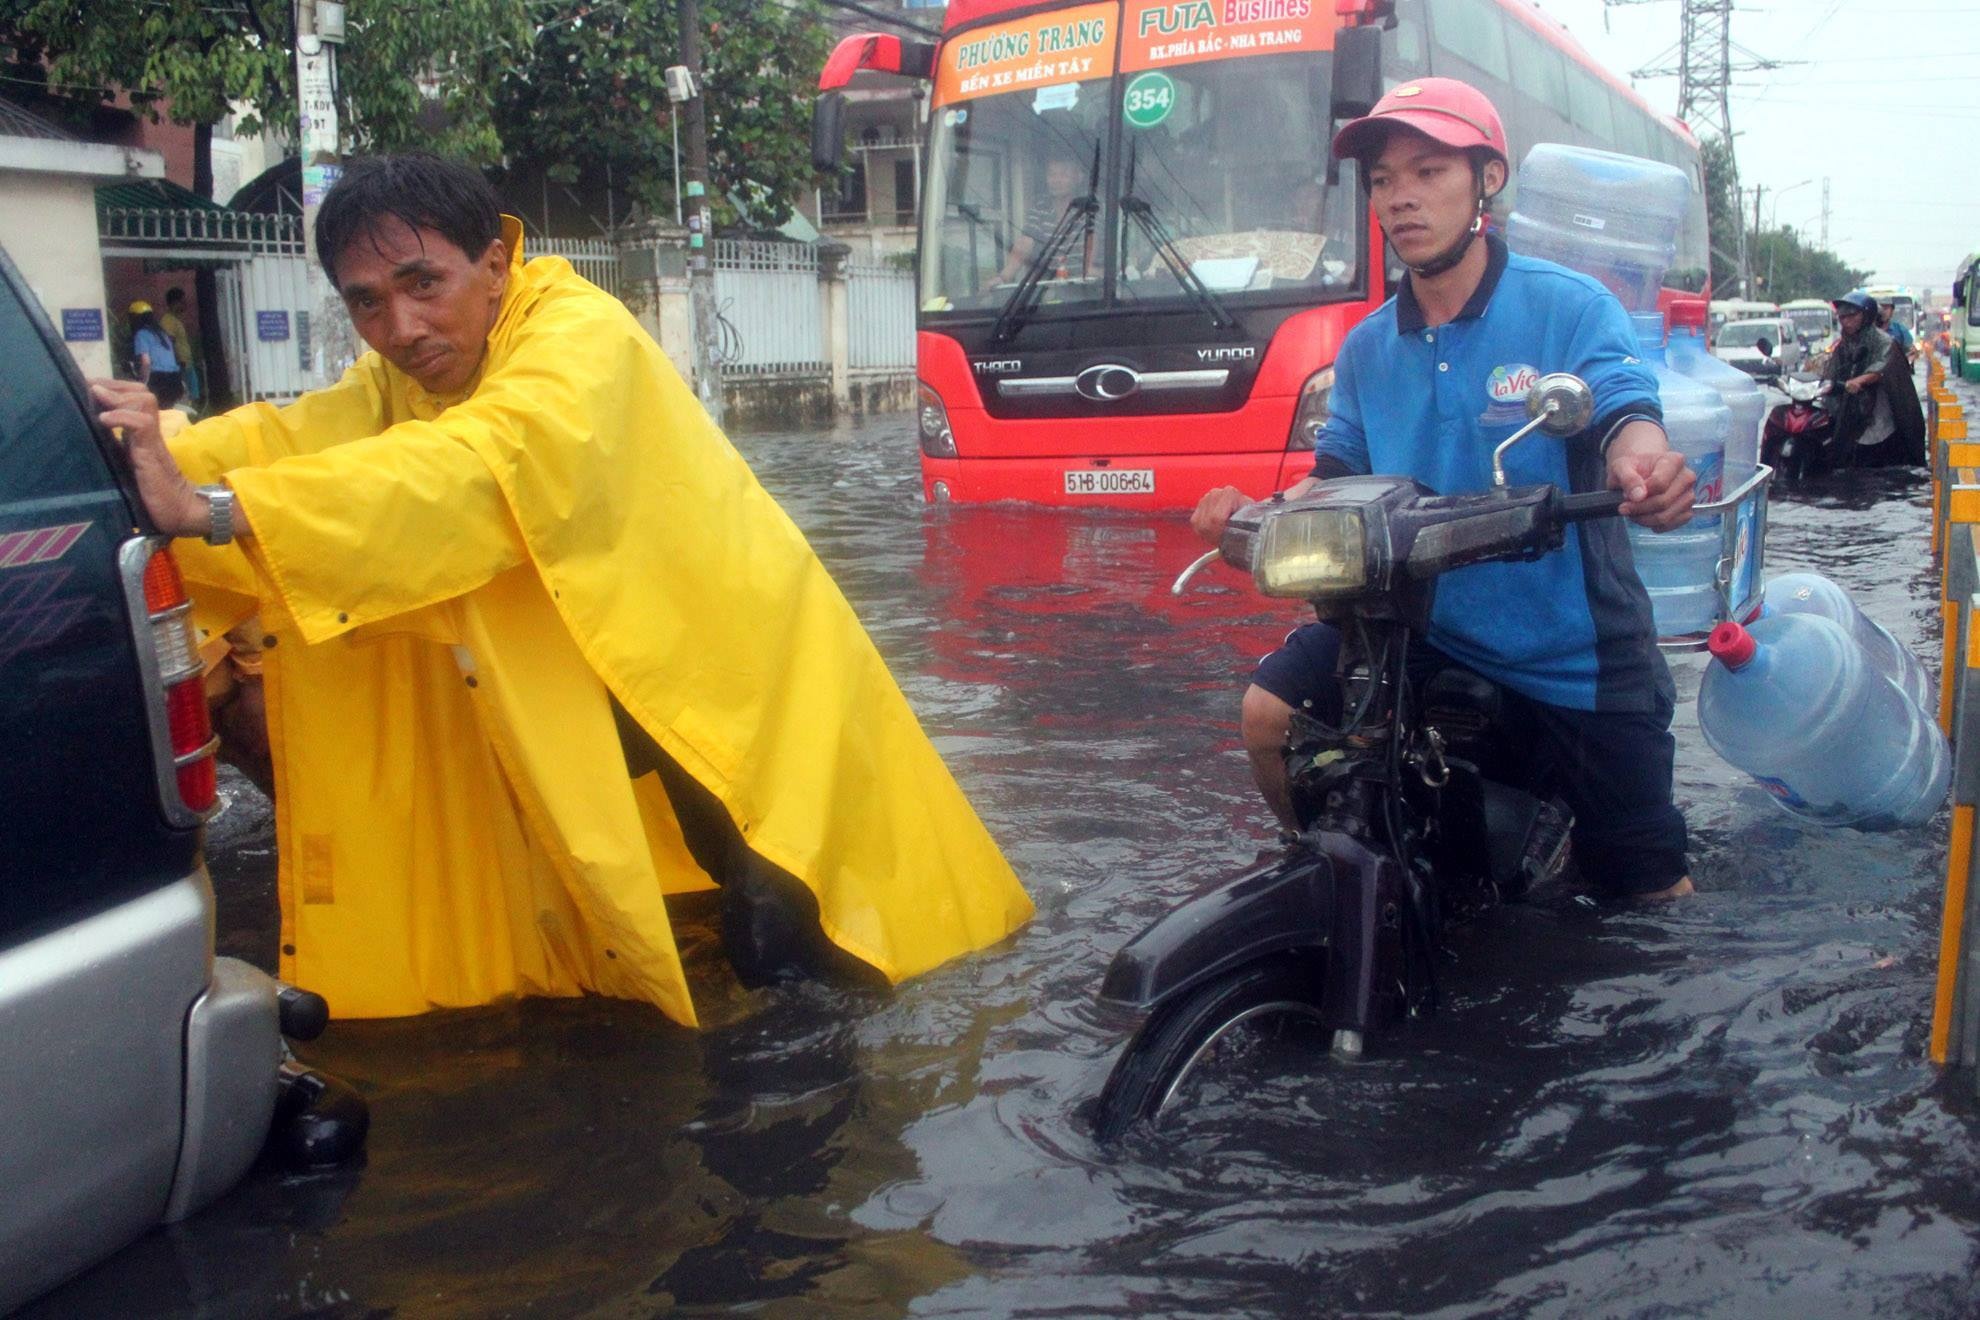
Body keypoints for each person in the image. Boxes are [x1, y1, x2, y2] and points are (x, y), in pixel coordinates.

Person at [88, 153, 1033, 1028]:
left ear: (494, 264)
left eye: (425, 284)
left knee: (813, 936)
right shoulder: (404, 377)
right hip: (622, 679)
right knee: (729, 931)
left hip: (731, 687)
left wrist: (215, 509)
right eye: (368, 304)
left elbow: (489, 461)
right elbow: (300, 436)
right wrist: (152, 450)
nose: (401, 328)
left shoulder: (575, 335)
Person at [1189, 78, 1697, 901]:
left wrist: (1644, 464)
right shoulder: (1365, 349)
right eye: (1384, 180)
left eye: (1428, 172)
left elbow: (1623, 411)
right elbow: (1340, 473)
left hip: (1573, 653)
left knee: (1646, 891)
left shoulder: (1567, 307)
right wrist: (1257, 513)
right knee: (1266, 714)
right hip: (1422, 630)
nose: (1401, 199)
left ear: (1487, 179)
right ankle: (1318, 871)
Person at [991, 144, 1091, 286]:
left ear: (1079, 177)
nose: (1056, 180)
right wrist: (1003, 277)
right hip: (1046, 291)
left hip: (1084, 290)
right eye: (1052, 174)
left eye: (1063, 174)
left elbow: (1092, 250)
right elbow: (1025, 243)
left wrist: (1090, 271)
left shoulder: (1089, 208)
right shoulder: (1040, 208)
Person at [127, 300, 185, 408]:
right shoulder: (162, 334)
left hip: (158, 380)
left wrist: (142, 382)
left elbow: (146, 363)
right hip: (175, 379)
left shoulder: (141, 334)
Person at [160, 286, 202, 408]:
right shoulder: (168, 321)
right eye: (182, 302)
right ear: (174, 303)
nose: (185, 305)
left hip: (187, 364)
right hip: (181, 365)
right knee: (187, 396)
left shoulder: (175, 320)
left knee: (193, 395)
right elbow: (169, 342)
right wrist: (178, 360)